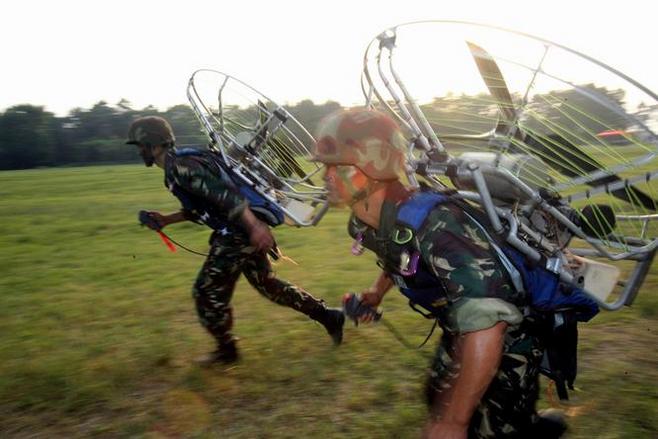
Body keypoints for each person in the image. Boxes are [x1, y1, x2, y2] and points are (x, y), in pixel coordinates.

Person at [311, 109, 567, 439]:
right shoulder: (365, 222)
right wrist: (374, 295)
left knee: (493, 426)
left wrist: (453, 423)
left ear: (373, 166)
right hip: (461, 324)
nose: (326, 176)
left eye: (337, 166)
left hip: (510, 331)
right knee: (438, 395)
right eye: (325, 166)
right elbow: (397, 257)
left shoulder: (439, 226)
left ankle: (525, 425)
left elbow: (490, 322)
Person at [126, 116, 344, 365]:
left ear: (154, 145)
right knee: (267, 284)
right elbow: (205, 206)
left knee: (205, 291)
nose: (139, 151)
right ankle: (329, 316)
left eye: (140, 146)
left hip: (238, 231)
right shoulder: (181, 165)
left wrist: (255, 228)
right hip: (240, 228)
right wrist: (167, 220)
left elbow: (226, 197)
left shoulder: (181, 167)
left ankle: (226, 350)